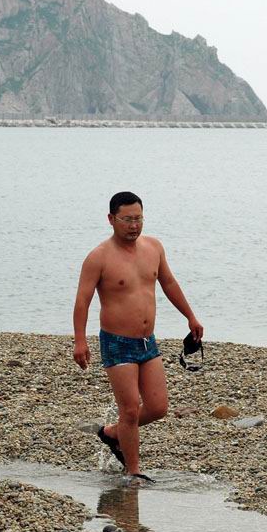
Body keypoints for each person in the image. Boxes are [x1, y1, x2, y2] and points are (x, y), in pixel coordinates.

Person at [73, 191, 203, 481]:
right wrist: (80, 341)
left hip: (147, 340)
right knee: (130, 411)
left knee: (158, 407)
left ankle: (112, 433)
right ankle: (134, 473)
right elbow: (82, 301)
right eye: (127, 220)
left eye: (139, 219)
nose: (134, 226)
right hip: (116, 342)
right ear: (111, 219)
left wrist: (190, 316)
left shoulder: (153, 247)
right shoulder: (98, 257)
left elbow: (169, 283)